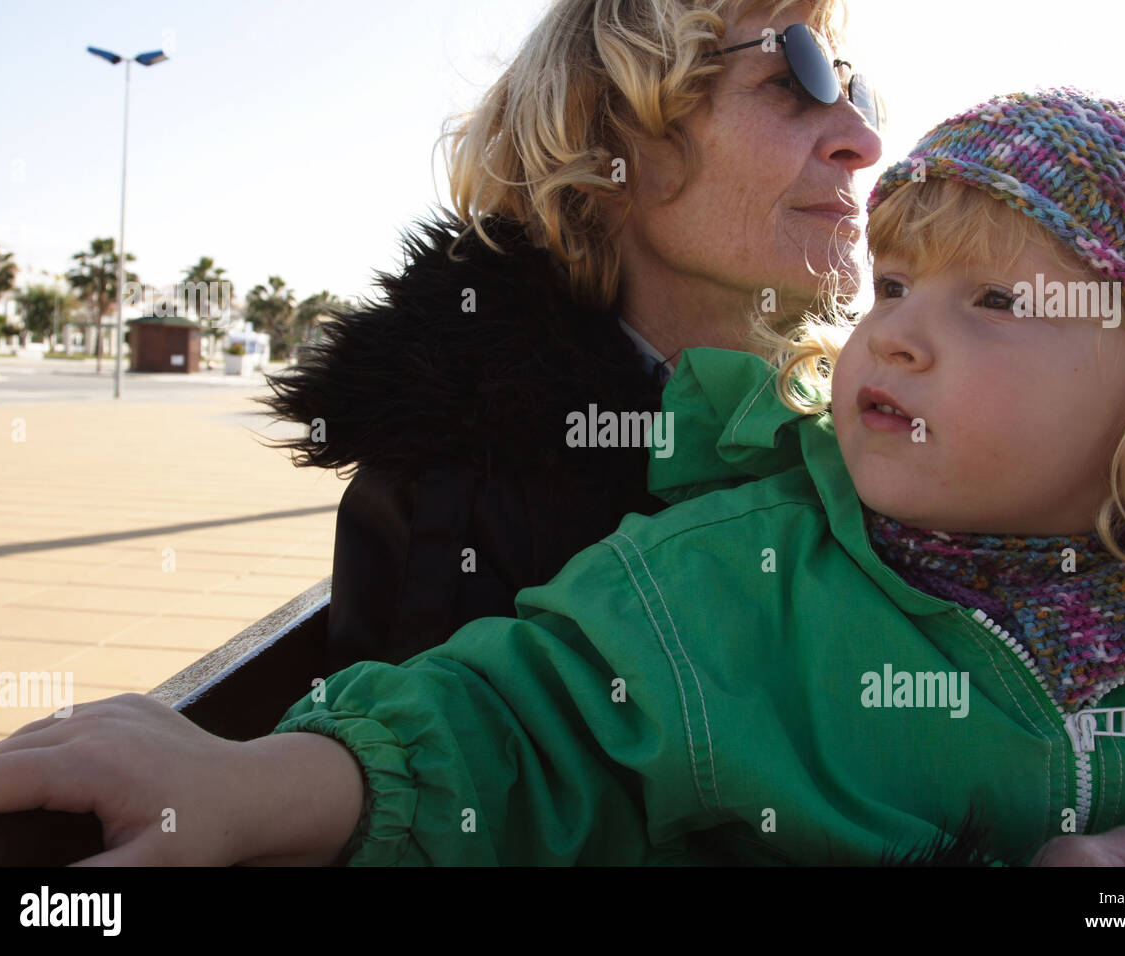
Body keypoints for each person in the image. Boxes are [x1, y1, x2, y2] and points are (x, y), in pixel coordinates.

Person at [0, 87, 1125, 868]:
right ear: (618, 145)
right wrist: (252, 782)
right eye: (892, 287)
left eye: (992, 297)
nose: (897, 331)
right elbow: (511, 730)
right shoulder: (741, 572)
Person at [256, 0, 879, 673]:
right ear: (606, 146)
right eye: (793, 76)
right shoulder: (462, 499)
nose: (863, 140)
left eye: (856, 92)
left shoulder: (880, 436)